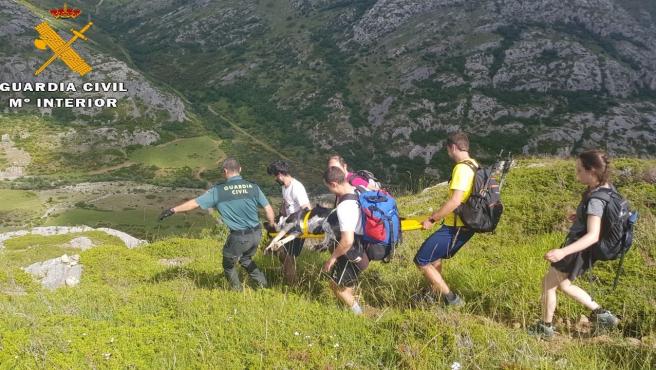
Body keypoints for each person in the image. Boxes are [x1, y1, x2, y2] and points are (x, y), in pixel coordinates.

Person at [528, 150, 620, 339]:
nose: (577, 174)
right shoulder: (606, 188)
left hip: (578, 248)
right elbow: (598, 220)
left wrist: (563, 252)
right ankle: (603, 316)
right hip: (586, 250)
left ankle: (546, 328)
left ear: (592, 171)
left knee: (548, 284)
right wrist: (580, 217)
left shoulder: (595, 199)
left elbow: (593, 235)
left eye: (579, 170)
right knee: (565, 285)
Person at [159, 157, 276, 291]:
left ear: (225, 171)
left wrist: (172, 210)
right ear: (240, 169)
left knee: (228, 265)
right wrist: (271, 229)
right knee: (246, 259)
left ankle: (237, 292)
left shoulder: (219, 191)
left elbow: (194, 203)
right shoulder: (253, 187)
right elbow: (268, 209)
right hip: (257, 233)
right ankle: (264, 287)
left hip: (239, 237)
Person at [415, 132, 477, 306]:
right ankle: (434, 294)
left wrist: (432, 219)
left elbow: (455, 201)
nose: (448, 153)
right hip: (462, 224)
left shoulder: (461, 168)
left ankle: (451, 299)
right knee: (435, 258)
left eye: (448, 150)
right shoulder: (474, 165)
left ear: (453, 148)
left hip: (455, 228)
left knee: (421, 260)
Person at [321, 166, 369, 315]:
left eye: (329, 187)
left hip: (352, 252)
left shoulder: (345, 207)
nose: (330, 190)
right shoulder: (359, 190)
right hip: (365, 247)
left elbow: (347, 240)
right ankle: (352, 307)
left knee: (336, 287)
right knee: (346, 284)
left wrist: (332, 258)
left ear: (334, 184)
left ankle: (360, 315)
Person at [266, 160, 312, 284]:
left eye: (275, 176)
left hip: (297, 227)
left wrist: (300, 228)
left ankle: (293, 284)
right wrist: (279, 217)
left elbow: (307, 209)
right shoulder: (284, 187)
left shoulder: (296, 187)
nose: (275, 179)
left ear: (280, 174)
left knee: (287, 257)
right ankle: (287, 270)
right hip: (287, 224)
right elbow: (286, 204)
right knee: (274, 246)